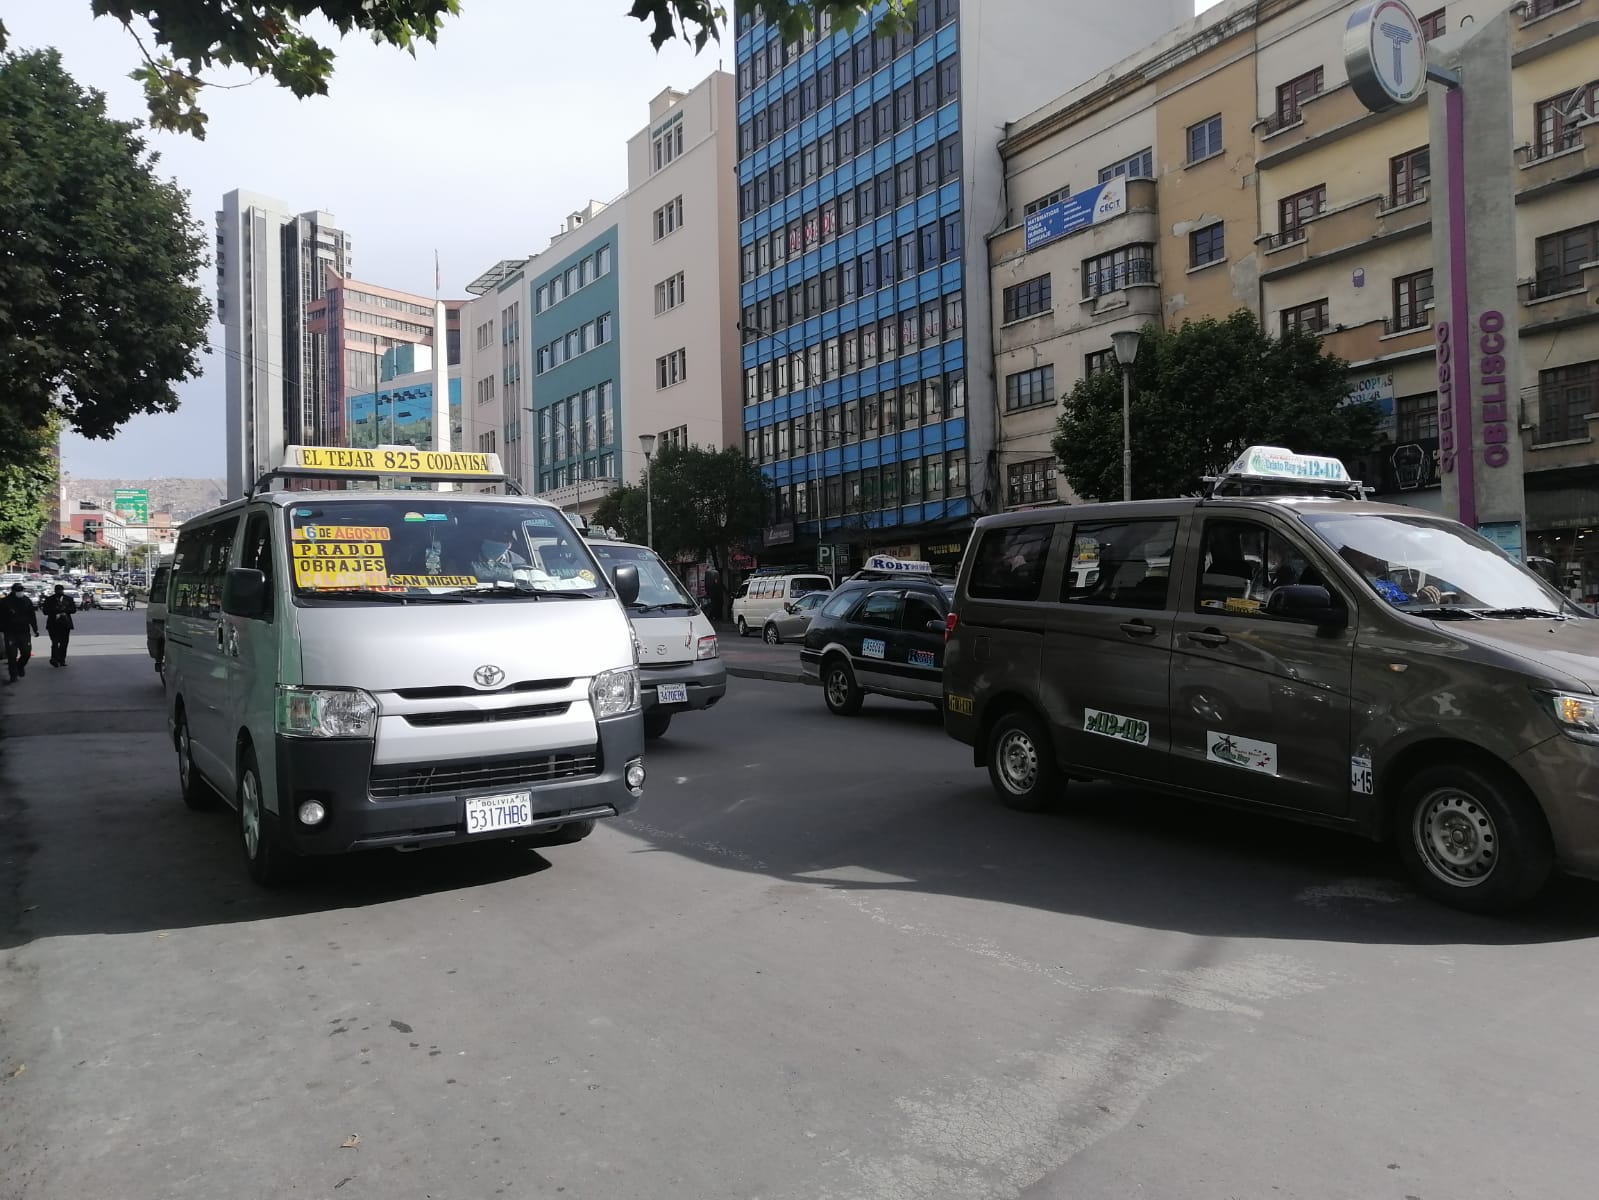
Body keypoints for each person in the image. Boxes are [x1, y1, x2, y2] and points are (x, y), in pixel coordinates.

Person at [1, 582, 39, 683]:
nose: (20, 592)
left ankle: (20, 666)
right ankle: (13, 675)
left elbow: (32, 616)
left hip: (24, 631)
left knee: (26, 653)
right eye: (18, 590)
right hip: (10, 632)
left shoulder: (26, 601)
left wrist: (35, 629)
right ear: (13, 591)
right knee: (12, 655)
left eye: (21, 590)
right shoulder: (5, 602)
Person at [40, 583, 78, 667]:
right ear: (55, 591)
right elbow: (45, 612)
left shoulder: (68, 599)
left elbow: (73, 610)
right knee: (55, 642)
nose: (59, 592)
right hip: (53, 624)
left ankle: (62, 659)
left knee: (64, 643)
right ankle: (54, 659)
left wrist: (64, 611)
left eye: (60, 590)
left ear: (62, 590)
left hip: (65, 624)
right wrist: (55, 611)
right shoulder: (49, 600)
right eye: (57, 590)